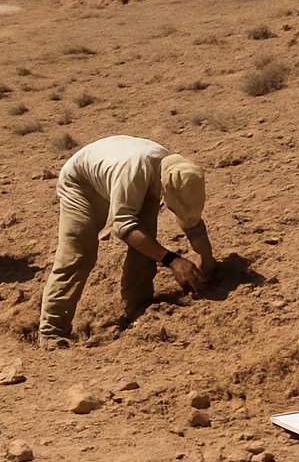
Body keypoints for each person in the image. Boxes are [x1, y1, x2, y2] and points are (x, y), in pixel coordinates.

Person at [38, 135, 214, 348]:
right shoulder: (134, 174)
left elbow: (191, 221)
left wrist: (207, 260)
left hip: (123, 176)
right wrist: (172, 260)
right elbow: (123, 227)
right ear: (165, 186)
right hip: (82, 183)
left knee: (146, 240)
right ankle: (51, 331)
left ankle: (139, 307)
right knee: (78, 254)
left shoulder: (180, 173)